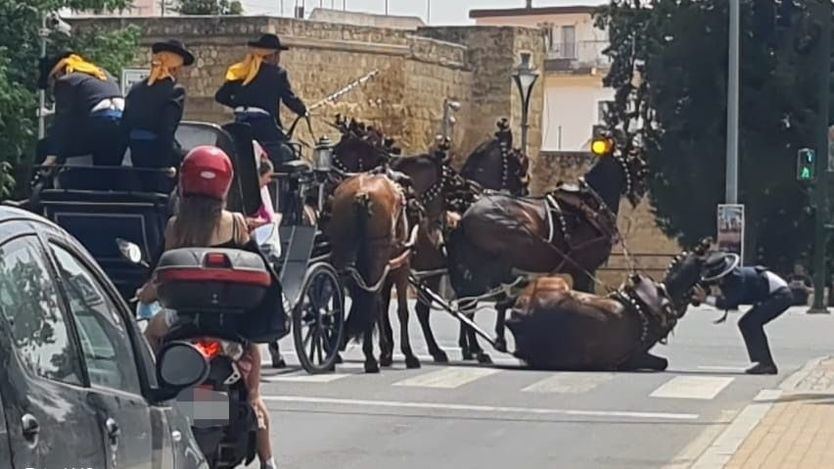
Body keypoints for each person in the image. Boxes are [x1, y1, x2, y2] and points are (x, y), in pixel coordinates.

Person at [137, 145, 277, 469]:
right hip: (230, 322)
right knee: (254, 374)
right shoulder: (238, 225)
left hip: (181, 319)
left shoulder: (176, 226)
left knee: (149, 338)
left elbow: (159, 277)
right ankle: (269, 461)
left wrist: (144, 294)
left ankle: (153, 397)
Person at [693, 253, 793, 375]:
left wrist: (705, 299)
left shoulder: (738, 281)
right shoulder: (732, 278)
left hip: (780, 295)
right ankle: (763, 362)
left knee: (751, 323)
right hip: (769, 295)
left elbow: (727, 303)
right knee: (747, 323)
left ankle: (766, 364)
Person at [215, 33, 307, 166]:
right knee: (290, 153)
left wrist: (241, 105)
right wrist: (303, 110)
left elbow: (221, 96)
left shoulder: (242, 72)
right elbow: (289, 99)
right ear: (272, 55)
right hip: (265, 129)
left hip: (241, 126)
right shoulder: (277, 73)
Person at [122, 39, 195, 183]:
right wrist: (166, 166)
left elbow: (124, 126)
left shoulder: (136, 89)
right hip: (158, 161)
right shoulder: (175, 91)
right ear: (174, 68)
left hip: (137, 156)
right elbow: (166, 132)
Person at [38, 51, 124, 167]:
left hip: (100, 123)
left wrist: (52, 155)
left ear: (57, 74)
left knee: (44, 146)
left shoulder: (66, 81)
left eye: (50, 83)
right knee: (106, 171)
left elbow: (63, 120)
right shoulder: (101, 73)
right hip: (122, 124)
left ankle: (41, 180)